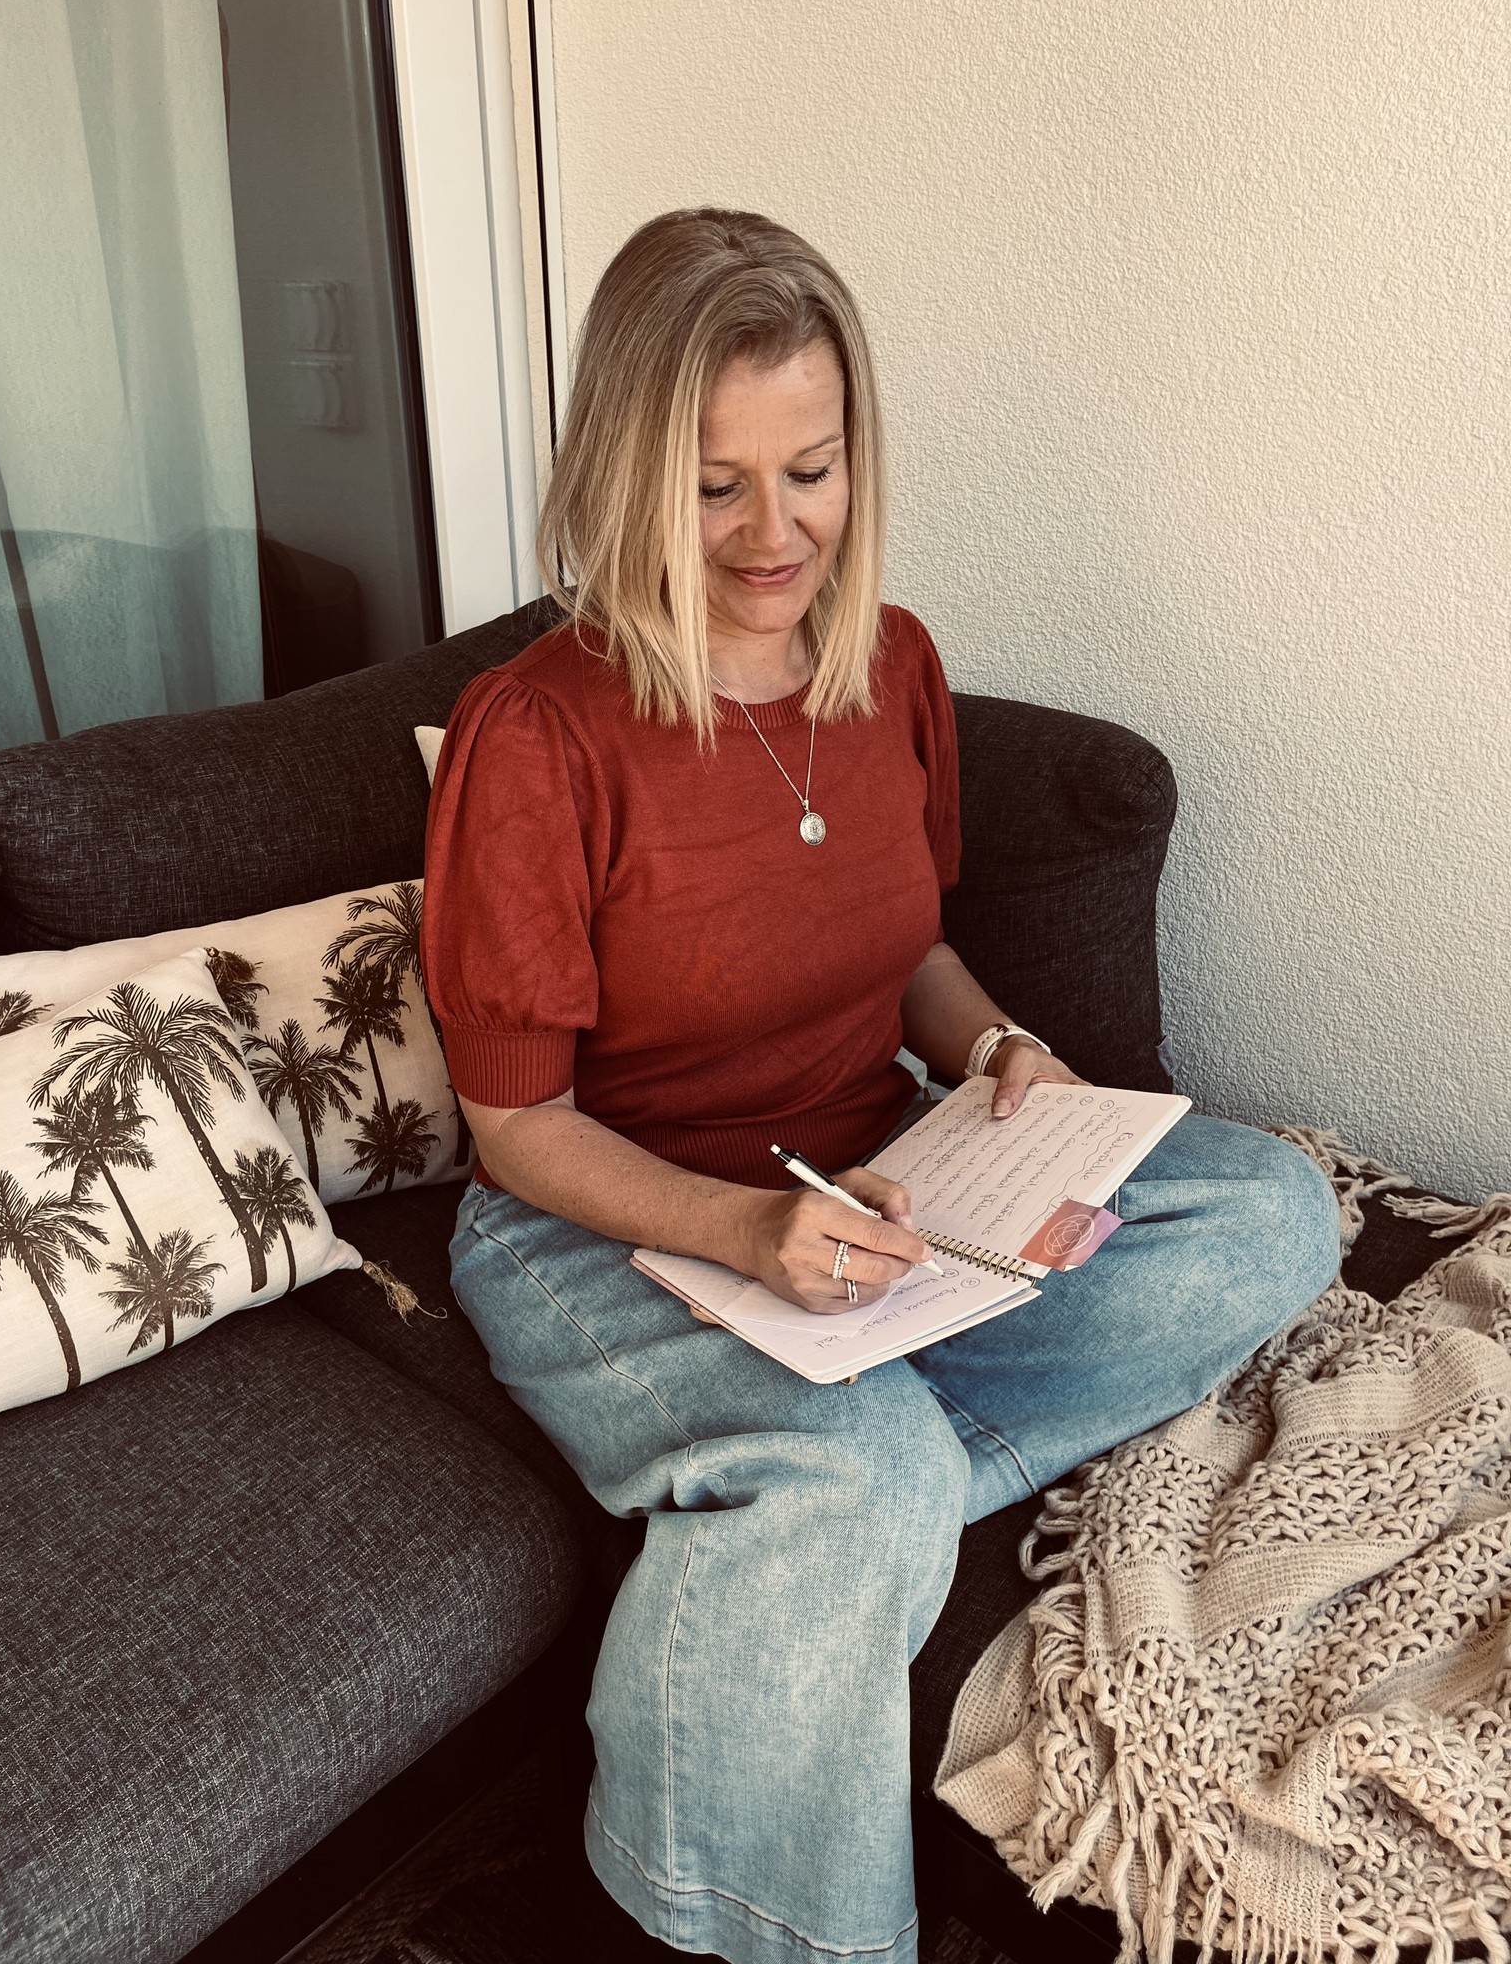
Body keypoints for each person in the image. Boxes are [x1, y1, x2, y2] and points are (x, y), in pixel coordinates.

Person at [421, 208, 1339, 1964]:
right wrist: (748, 1233)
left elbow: (905, 942)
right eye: (714, 487)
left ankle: (830, 1464)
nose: (776, 534)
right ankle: (796, 1685)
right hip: (601, 1228)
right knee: (872, 1483)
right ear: (625, 475)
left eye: (812, 470)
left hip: (872, 1184)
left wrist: (992, 1047)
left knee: (1272, 1207)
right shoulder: (535, 735)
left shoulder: (888, 663)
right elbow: (516, 1128)